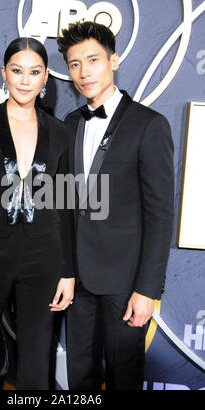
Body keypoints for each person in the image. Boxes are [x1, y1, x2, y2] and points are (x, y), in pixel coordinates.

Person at [57, 21, 174, 390]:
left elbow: (160, 215)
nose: (84, 71)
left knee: (125, 378)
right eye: (74, 64)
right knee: (80, 379)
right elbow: (64, 205)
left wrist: (147, 290)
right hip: (78, 283)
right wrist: (65, 271)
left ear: (115, 61)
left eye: (93, 60)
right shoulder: (71, 123)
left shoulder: (148, 125)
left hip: (126, 286)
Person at [0, 37, 75, 390]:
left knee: (37, 364)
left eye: (34, 72)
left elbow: (65, 204)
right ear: (5, 73)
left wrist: (67, 272)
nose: (25, 80)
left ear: (46, 77)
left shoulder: (59, 132)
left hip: (44, 258)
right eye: (18, 71)